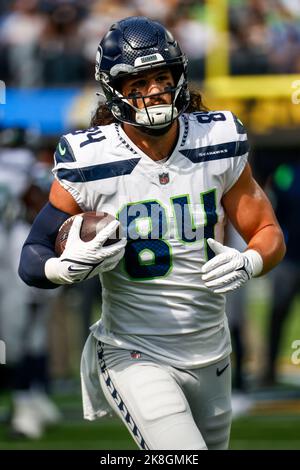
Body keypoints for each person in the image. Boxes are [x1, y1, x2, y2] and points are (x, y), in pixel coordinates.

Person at [18, 16, 285, 450]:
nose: (154, 91)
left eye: (161, 77)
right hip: (132, 350)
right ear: (114, 91)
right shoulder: (90, 159)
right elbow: (31, 254)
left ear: (179, 76)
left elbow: (268, 231)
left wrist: (250, 260)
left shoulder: (217, 139)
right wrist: (61, 267)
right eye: (137, 83)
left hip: (211, 351)